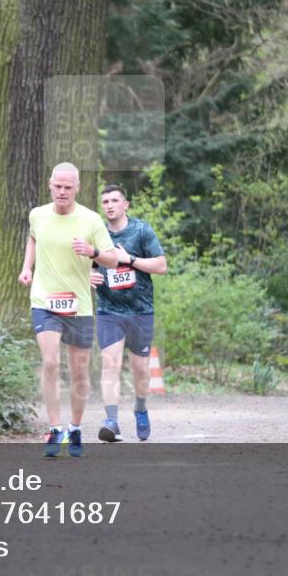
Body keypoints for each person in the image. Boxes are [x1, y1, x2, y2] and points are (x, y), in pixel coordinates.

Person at [19, 163, 117, 457]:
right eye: (58, 186)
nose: (62, 191)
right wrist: (27, 268)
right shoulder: (38, 214)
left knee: (79, 371)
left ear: (77, 188)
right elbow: (34, 237)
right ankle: (54, 428)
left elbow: (112, 259)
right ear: (50, 185)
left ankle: (74, 428)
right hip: (44, 301)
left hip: (79, 306)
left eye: (68, 187)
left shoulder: (91, 220)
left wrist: (93, 253)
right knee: (50, 362)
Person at [89, 185, 166, 442]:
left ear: (126, 205)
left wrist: (129, 259)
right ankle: (111, 421)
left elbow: (161, 265)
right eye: (105, 201)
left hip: (140, 311)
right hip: (109, 310)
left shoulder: (142, 230)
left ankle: (141, 408)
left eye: (114, 201)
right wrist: (87, 275)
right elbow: (81, 265)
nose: (109, 205)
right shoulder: (96, 233)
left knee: (140, 368)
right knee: (110, 364)